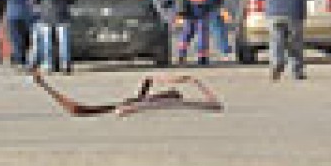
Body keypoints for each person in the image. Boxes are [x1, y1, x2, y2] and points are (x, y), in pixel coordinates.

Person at [33, 71, 222, 116]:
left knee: (84, 110)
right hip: (127, 105)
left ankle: (46, 87)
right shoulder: (146, 101)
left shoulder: (148, 103)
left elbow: (78, 110)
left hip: (124, 106)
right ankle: (46, 87)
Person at [33, 0, 75, 74]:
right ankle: (65, 65)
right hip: (62, 15)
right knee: (64, 41)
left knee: (47, 42)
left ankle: (49, 65)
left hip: (46, 16)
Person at [5, 0, 36, 68]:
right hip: (28, 15)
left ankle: (19, 60)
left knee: (16, 40)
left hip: (12, 15)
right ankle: (28, 60)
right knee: (28, 40)